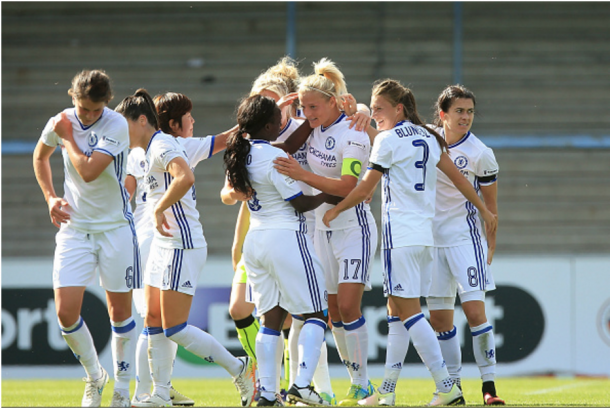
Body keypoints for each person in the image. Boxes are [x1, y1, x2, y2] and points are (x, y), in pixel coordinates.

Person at [322, 79, 497, 407]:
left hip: (399, 238)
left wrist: (335, 210)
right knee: (395, 311)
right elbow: (460, 180)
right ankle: (386, 392)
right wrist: (485, 210)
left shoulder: (387, 140)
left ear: (398, 108)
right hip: (425, 239)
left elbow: (362, 189)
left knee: (410, 313)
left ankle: (447, 386)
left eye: (378, 109)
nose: (374, 115)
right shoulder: (429, 137)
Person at [115, 89, 256, 408]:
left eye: (124, 125)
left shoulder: (164, 144)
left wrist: (158, 208)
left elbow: (186, 177)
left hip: (182, 245)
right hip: (163, 245)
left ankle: (240, 368)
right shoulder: (147, 150)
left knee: (174, 327)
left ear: (140, 121)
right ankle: (161, 393)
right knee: (152, 318)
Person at [274, 58, 378, 406]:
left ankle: (364, 385)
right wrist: (282, 110)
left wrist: (303, 177)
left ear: (334, 102)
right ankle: (355, 382)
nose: (307, 112)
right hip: (321, 228)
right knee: (332, 313)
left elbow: (349, 184)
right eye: (303, 107)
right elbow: (274, 141)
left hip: (353, 226)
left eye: (313, 106)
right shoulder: (310, 126)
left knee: (349, 307)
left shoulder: (354, 130)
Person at [32, 69, 139, 407]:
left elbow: (90, 172)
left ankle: (123, 385)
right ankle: (95, 376)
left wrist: (66, 137)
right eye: (83, 109)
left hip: (115, 229)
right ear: (72, 97)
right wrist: (50, 197)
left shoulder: (115, 124)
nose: (90, 116)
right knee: (65, 313)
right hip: (75, 229)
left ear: (107, 104)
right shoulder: (62, 120)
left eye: (96, 110)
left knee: (120, 312)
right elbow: (39, 156)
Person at [222, 94, 333, 407]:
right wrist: (329, 193)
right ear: (270, 126)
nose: (284, 124)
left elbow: (289, 144)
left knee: (270, 320)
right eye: (279, 120)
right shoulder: (272, 156)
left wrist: (310, 124)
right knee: (315, 314)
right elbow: (298, 202)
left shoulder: (242, 153)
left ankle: (268, 394)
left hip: (255, 241)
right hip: (285, 236)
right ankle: (301, 385)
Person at [426, 85, 504, 406]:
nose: (466, 117)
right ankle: (453, 388)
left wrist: (491, 244)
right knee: (441, 321)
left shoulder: (480, 153)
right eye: (459, 111)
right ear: (443, 114)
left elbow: (492, 208)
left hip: (464, 241)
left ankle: (489, 387)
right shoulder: (426, 138)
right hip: (431, 243)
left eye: (470, 111)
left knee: (475, 312)